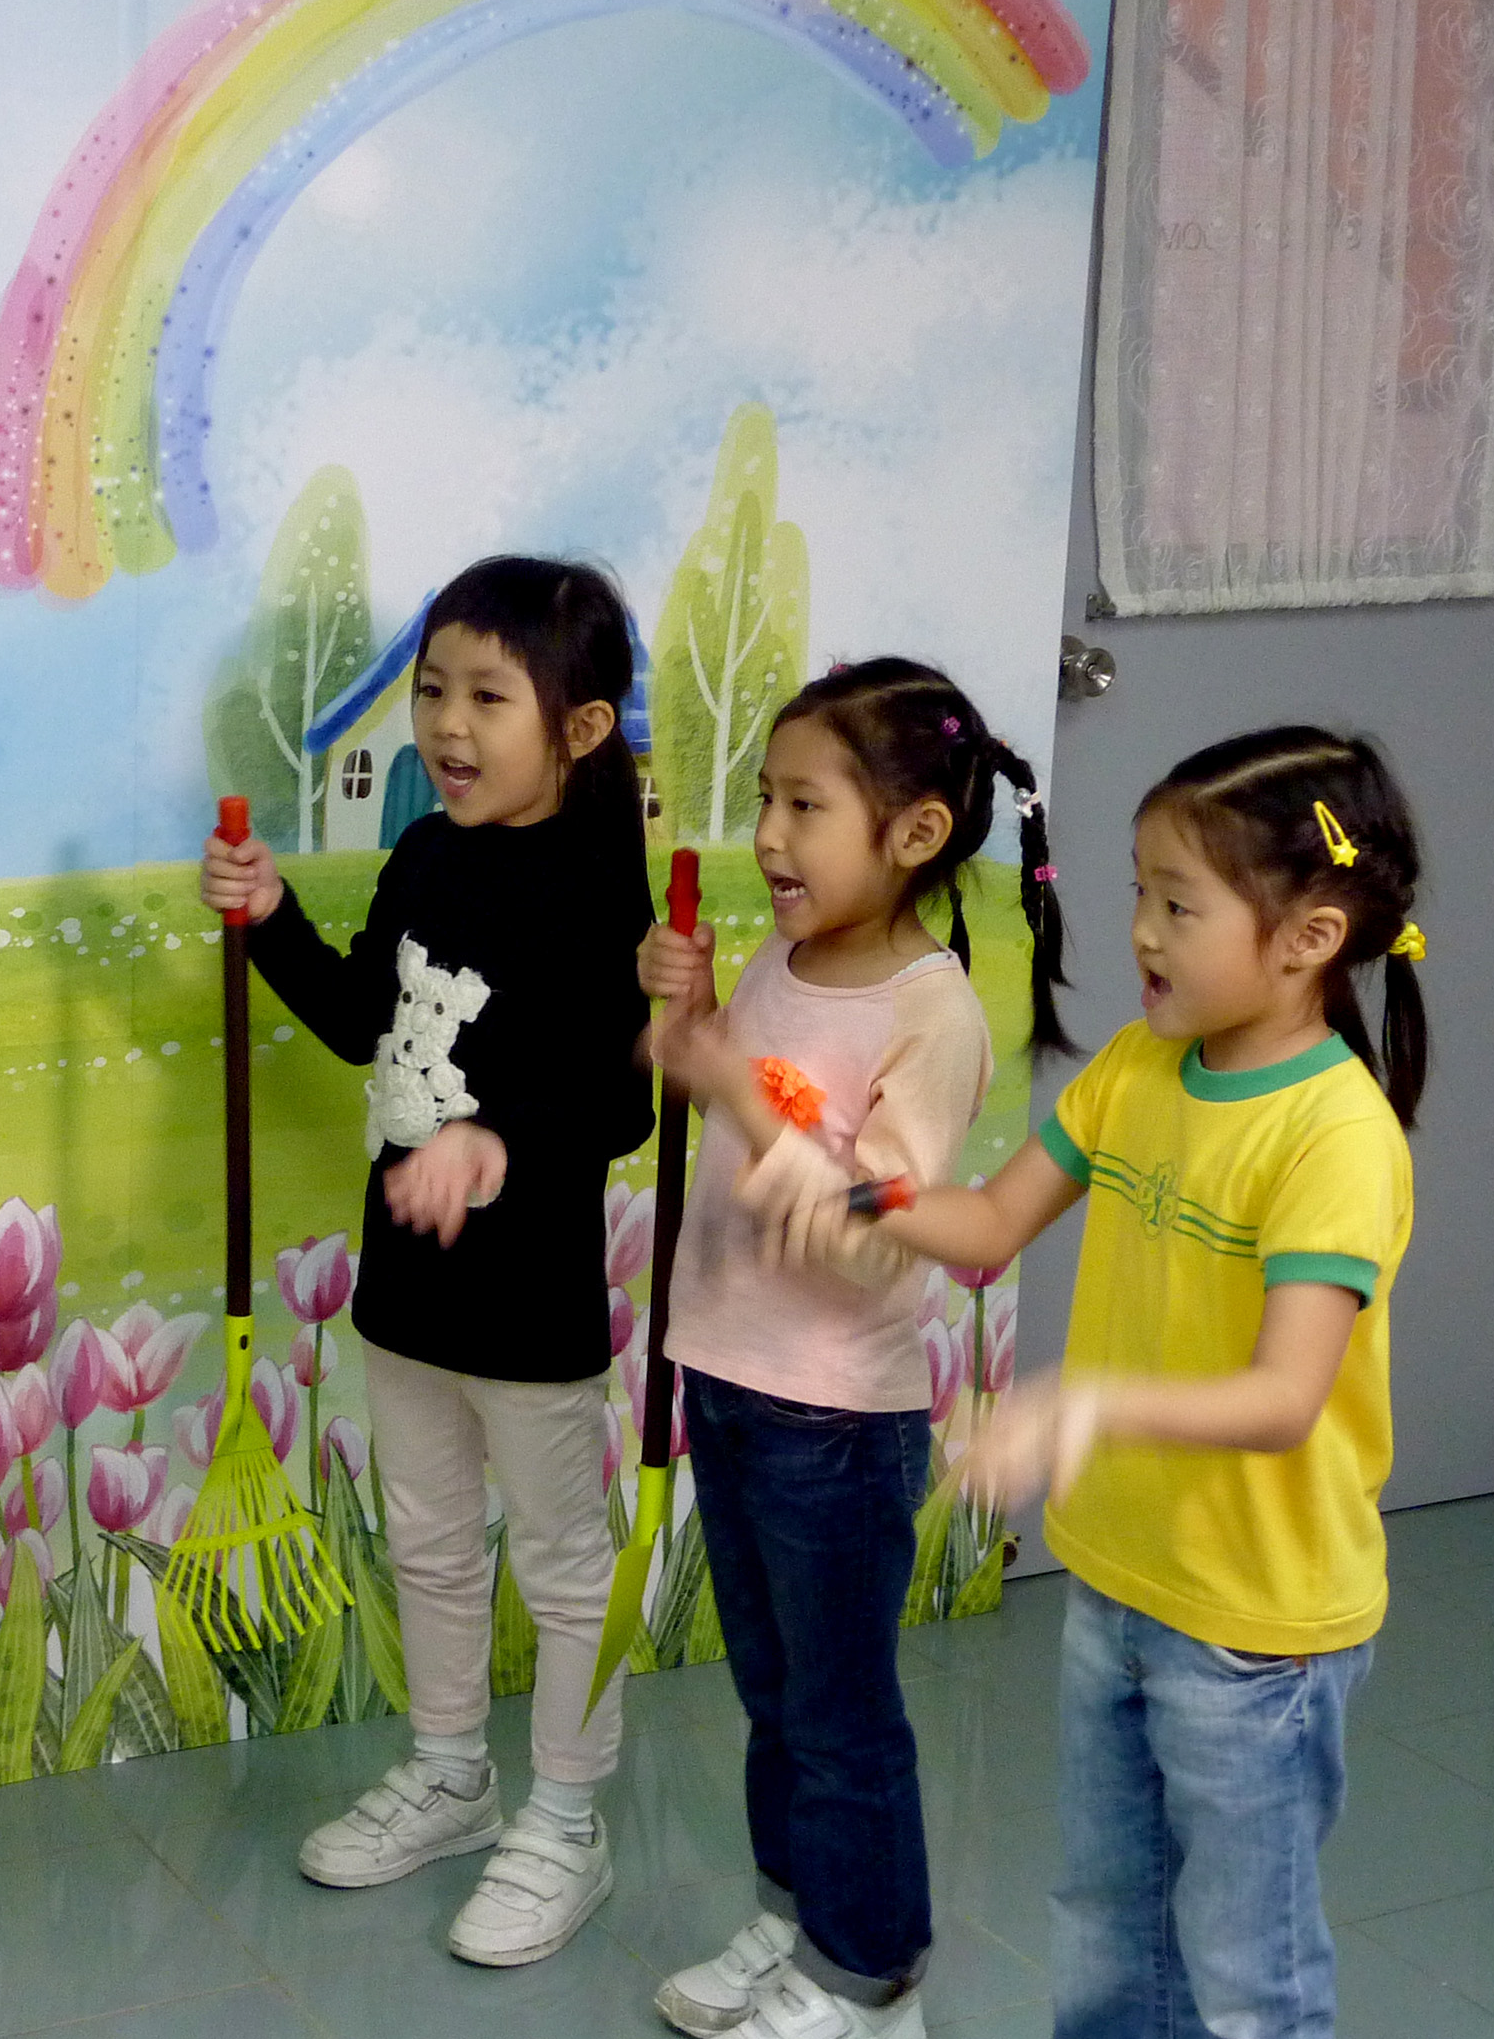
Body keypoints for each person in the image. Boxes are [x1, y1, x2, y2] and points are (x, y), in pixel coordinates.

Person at [861, 726, 1423, 2039]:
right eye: (1138, 893)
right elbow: (989, 1224)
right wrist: (858, 1191)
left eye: (1180, 904)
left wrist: (1081, 1403)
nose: (1141, 933)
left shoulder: (1334, 1134)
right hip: (1121, 1581)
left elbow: (1284, 1399)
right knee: (1109, 1931)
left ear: (1307, 938)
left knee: (1244, 1977)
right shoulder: (1137, 1070)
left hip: (1256, 1633)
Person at [200, 555, 655, 1967]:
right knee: (430, 1544)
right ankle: (453, 1775)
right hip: (406, 1292)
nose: (448, 726)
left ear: (580, 728)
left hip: (528, 1309)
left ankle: (565, 1819)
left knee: (564, 1570)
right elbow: (361, 1020)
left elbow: (620, 1105)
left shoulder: (596, 890)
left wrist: (493, 1146)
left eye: (488, 698)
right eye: (433, 692)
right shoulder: (425, 856)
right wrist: (269, 915)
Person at [636, 660, 1071, 2039]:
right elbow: (728, 1097)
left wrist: (731, 1085)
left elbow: (877, 1238)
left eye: (803, 806)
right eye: (766, 799)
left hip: (832, 1421)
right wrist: (688, 1023)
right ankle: (794, 1915)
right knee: (773, 1696)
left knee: (839, 1716)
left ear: (915, 832)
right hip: (732, 1377)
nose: (767, 835)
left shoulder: (929, 1015)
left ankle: (869, 1976)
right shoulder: (783, 959)